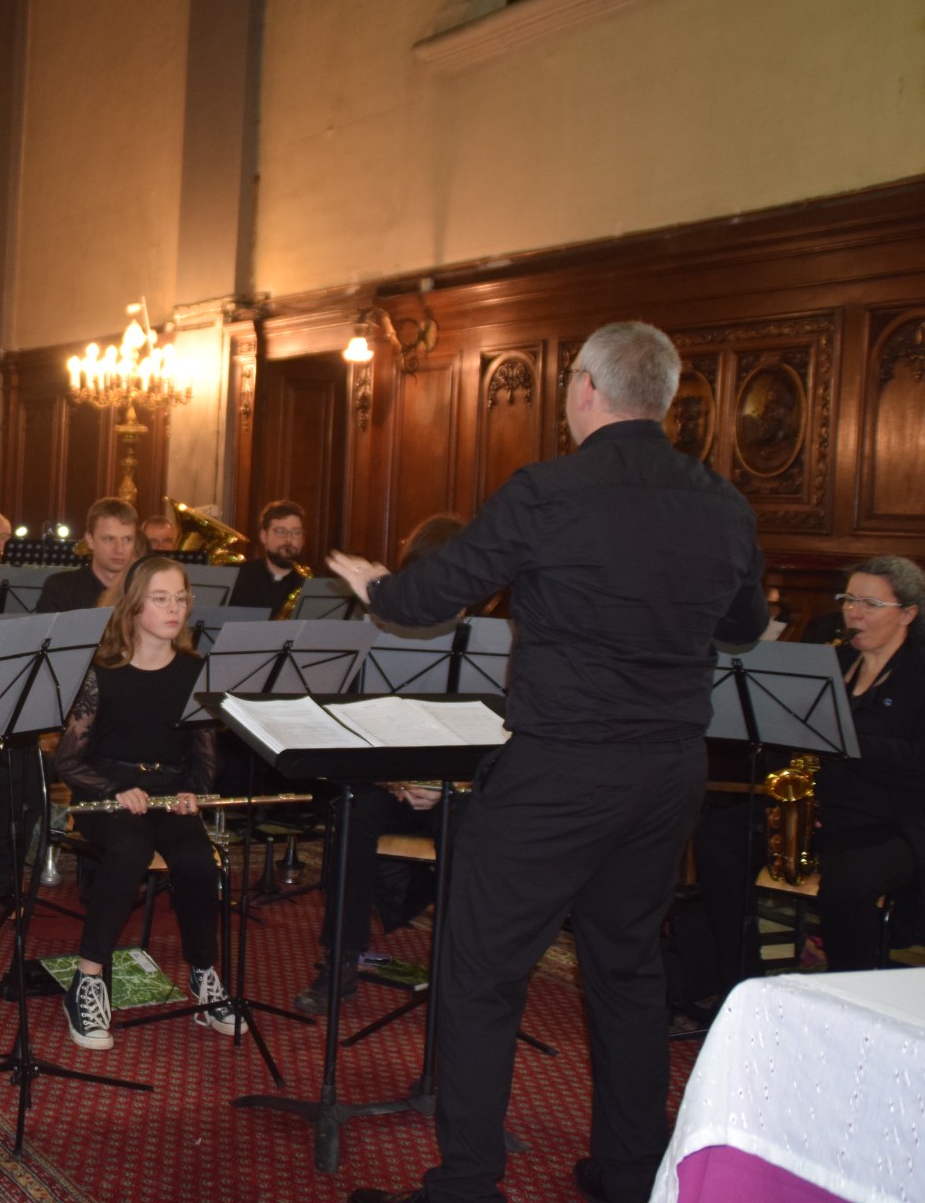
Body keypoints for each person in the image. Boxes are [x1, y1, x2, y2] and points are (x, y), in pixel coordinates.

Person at [331, 322, 768, 1203]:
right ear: (667, 397)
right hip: (669, 769)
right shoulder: (721, 500)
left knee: (482, 969)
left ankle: (468, 1184)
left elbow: (427, 601)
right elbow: (746, 625)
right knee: (627, 966)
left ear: (584, 389)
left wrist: (374, 585)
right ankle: (626, 1173)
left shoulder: (550, 489)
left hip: (564, 766)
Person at [694, 556, 924, 985]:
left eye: (870, 603)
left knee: (849, 881)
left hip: (889, 819)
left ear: (908, 614)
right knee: (717, 840)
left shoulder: (918, 673)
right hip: (820, 808)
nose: (854, 612)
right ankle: (742, 977)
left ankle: (849, 994)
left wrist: (844, 740)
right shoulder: (831, 660)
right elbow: (788, 737)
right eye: (849, 599)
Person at [53, 557, 241, 1049]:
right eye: (161, 598)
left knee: (199, 858)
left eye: (181, 598)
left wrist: (192, 795)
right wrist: (114, 791)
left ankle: (204, 973)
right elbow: (68, 760)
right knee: (130, 851)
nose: (174, 608)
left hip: (169, 793)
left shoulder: (196, 672)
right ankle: (88, 979)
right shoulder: (101, 671)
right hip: (106, 792)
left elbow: (204, 759)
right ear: (134, 605)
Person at [294, 513, 468, 1015]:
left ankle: (459, 970)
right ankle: (341, 963)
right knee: (353, 813)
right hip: (390, 785)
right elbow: (349, 730)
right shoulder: (371, 631)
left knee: (474, 827)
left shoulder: (481, 640)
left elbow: (498, 739)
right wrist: (395, 779)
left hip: (453, 791)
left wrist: (445, 785)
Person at [37, 497, 139, 613]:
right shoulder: (61, 588)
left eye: (127, 539)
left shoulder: (145, 590)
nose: (120, 549)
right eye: (109, 539)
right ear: (90, 540)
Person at [228, 499, 311, 611]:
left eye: (296, 532)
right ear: (264, 536)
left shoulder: (312, 583)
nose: (289, 539)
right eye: (281, 531)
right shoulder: (238, 577)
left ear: (303, 539)